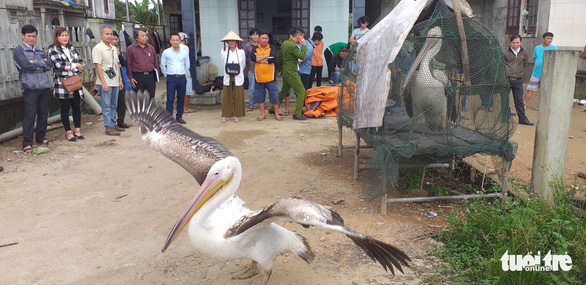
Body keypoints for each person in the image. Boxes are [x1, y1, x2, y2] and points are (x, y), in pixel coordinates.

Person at [13, 25, 54, 152]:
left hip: (44, 87)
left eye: (34, 36)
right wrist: (40, 63)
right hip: (29, 88)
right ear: (22, 36)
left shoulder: (40, 51)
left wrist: (35, 62)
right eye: (29, 36)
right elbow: (26, 67)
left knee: (43, 114)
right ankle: (27, 143)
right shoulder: (19, 51)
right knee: (30, 116)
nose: (32, 39)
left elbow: (49, 65)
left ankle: (41, 138)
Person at [48, 27, 85, 142]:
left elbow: (81, 62)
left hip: (75, 81)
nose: (64, 38)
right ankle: (68, 132)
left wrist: (76, 66)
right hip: (63, 84)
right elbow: (59, 65)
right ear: (57, 37)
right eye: (62, 36)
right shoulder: (53, 49)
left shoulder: (72, 49)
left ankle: (77, 130)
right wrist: (74, 66)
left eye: (66, 35)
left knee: (76, 107)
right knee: (65, 108)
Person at [92, 26, 124, 136]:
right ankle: (108, 127)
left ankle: (113, 124)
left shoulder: (114, 49)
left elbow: (117, 65)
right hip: (105, 82)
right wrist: (103, 82)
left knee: (113, 104)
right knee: (106, 105)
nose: (109, 36)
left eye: (111, 34)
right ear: (101, 35)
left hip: (115, 81)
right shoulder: (98, 48)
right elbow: (98, 66)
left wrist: (120, 80)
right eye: (107, 34)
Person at [276, 28, 307, 120]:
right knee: (301, 92)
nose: (303, 39)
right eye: (302, 37)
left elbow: (280, 58)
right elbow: (302, 56)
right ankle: (297, 113)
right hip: (291, 72)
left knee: (284, 91)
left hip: (285, 71)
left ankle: (274, 109)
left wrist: (280, 69)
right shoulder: (293, 46)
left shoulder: (285, 43)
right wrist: (303, 46)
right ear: (299, 37)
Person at [250, 31, 282, 121]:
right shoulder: (255, 48)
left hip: (270, 77)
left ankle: (276, 114)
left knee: (275, 96)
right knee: (260, 97)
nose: (264, 40)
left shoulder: (272, 48)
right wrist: (266, 56)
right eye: (262, 38)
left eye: (266, 38)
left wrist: (259, 58)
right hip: (259, 78)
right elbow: (253, 58)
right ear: (259, 39)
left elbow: (273, 59)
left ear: (268, 39)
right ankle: (262, 114)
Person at [161, 33, 190, 124]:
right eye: (173, 40)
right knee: (170, 98)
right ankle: (169, 118)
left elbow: (187, 65)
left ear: (180, 41)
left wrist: (182, 73)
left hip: (181, 78)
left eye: (177, 40)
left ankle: (179, 116)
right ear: (170, 41)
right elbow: (163, 65)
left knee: (181, 97)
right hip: (171, 78)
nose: (175, 42)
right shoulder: (166, 52)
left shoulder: (184, 53)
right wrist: (167, 75)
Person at [504, 35, 533, 126]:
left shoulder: (525, 52)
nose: (515, 44)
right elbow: (502, 64)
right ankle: (504, 118)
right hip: (507, 79)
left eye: (517, 42)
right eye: (513, 42)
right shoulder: (505, 52)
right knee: (504, 99)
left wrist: (518, 73)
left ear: (520, 42)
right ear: (510, 43)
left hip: (518, 80)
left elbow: (525, 64)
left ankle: (523, 119)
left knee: (519, 100)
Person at [524, 32, 557, 107]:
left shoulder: (554, 49)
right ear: (543, 39)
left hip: (548, 74)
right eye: (548, 38)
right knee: (530, 89)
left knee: (545, 91)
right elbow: (535, 58)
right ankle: (524, 104)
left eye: (551, 38)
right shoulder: (537, 48)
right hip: (536, 73)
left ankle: (542, 106)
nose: (550, 40)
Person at [220, 31, 246, 123]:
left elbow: (243, 64)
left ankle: (237, 115)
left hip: (238, 75)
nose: (231, 42)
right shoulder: (223, 52)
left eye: (233, 41)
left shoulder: (241, 52)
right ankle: (225, 115)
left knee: (238, 95)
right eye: (229, 41)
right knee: (226, 96)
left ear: (236, 42)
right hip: (227, 75)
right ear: (227, 42)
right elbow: (223, 63)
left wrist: (237, 71)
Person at [126, 28, 158, 99]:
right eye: (142, 36)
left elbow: (155, 62)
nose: (145, 38)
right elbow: (128, 64)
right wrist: (131, 77)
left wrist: (156, 75)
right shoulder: (130, 49)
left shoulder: (151, 48)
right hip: (138, 76)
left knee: (151, 97)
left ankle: (150, 110)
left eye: (146, 36)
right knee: (138, 97)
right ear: (137, 38)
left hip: (150, 75)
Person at [111, 31, 132, 129]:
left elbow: (123, 63)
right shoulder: (102, 50)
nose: (114, 41)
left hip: (119, 78)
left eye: (116, 39)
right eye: (113, 39)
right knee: (111, 102)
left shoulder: (117, 50)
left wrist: (118, 54)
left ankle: (121, 121)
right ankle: (111, 123)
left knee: (121, 100)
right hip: (109, 78)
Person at [178, 32, 196, 113]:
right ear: (184, 39)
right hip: (184, 72)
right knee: (187, 91)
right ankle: (185, 108)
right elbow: (186, 62)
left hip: (175, 73)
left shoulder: (171, 48)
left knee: (176, 91)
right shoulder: (185, 47)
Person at [243, 28, 259, 111]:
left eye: (256, 35)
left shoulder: (261, 45)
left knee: (261, 88)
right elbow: (244, 58)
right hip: (252, 70)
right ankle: (251, 105)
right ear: (250, 36)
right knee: (251, 88)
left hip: (261, 70)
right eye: (253, 35)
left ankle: (263, 104)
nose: (255, 36)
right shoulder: (247, 46)